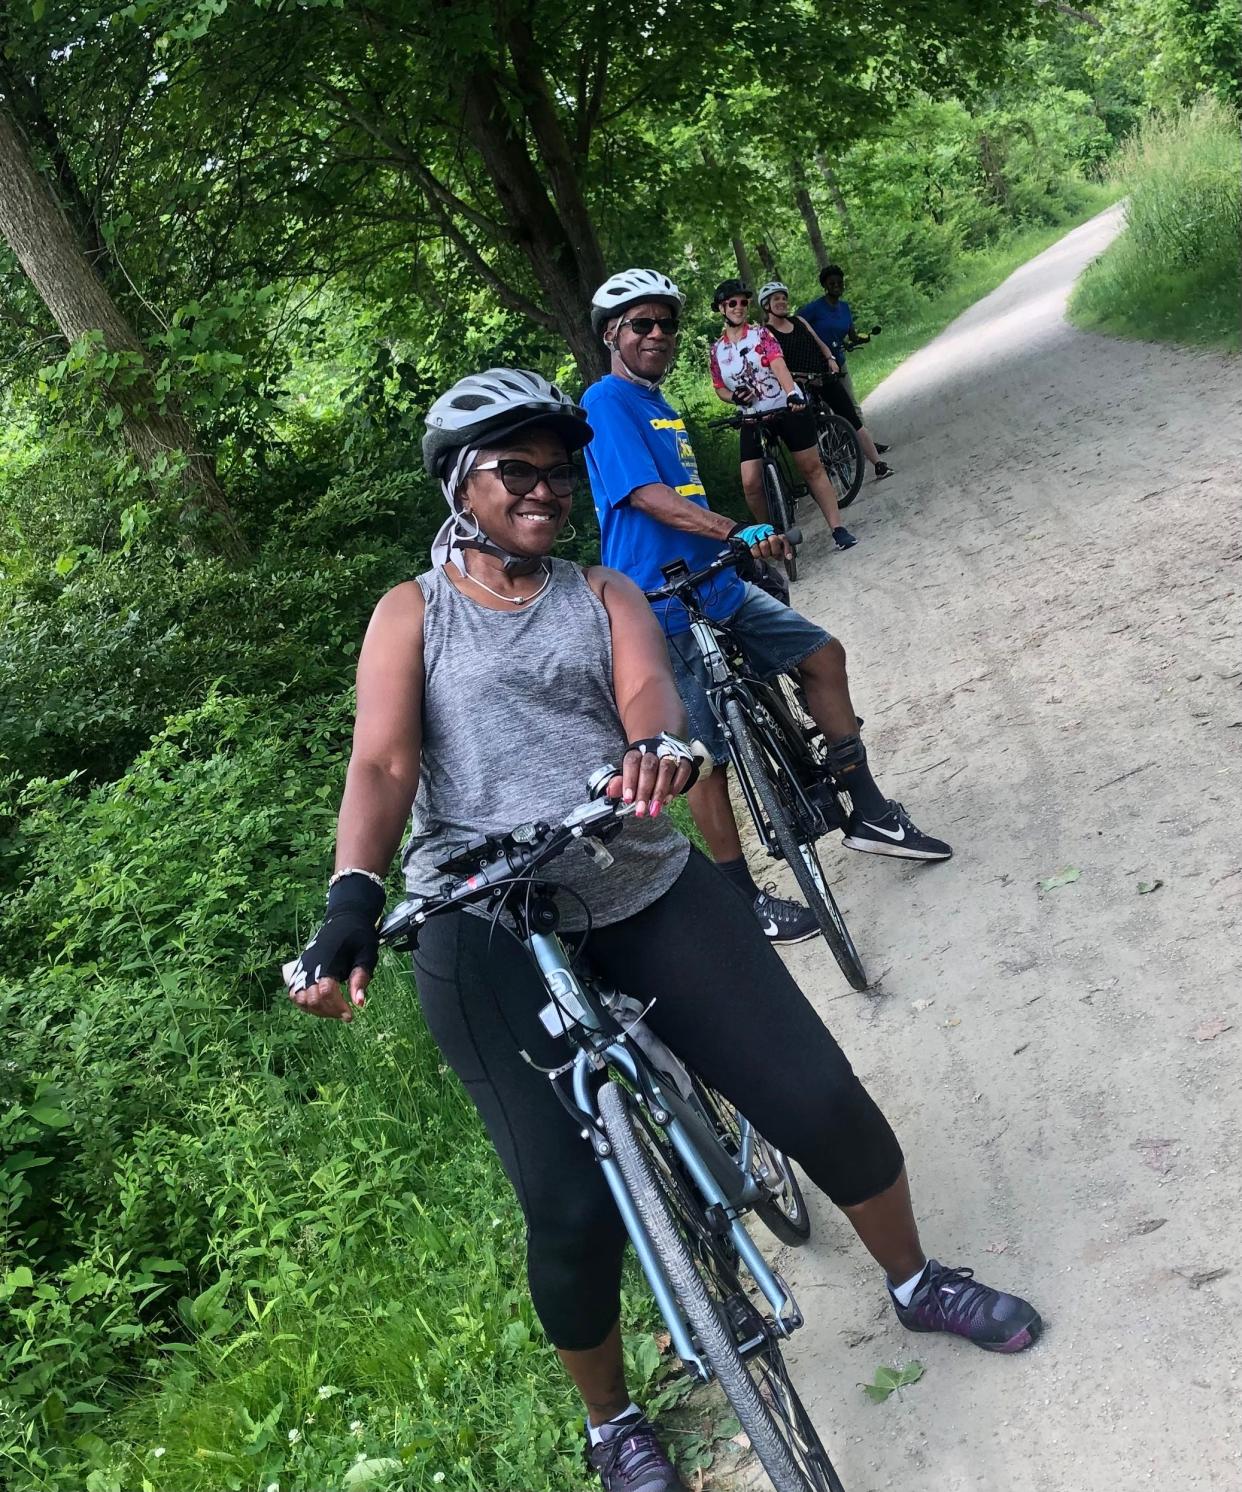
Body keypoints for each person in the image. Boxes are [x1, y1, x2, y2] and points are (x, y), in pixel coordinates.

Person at [285, 366, 1042, 1492]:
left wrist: (657, 749)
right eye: (516, 471)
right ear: (460, 487)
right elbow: (386, 760)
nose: (545, 488)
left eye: (558, 469)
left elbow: (650, 695)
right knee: (569, 1207)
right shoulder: (413, 612)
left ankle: (915, 1278)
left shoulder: (601, 593)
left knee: (817, 1095)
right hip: (483, 920)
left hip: (634, 874)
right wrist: (353, 894)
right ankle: (613, 1422)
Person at [580, 269, 952, 949]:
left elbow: (679, 493)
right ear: (613, 334)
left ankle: (866, 809)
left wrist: (731, 547)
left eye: (666, 323)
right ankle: (744, 898)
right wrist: (735, 529)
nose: (657, 334)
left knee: (821, 655)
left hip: (713, 579)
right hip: (657, 600)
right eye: (642, 324)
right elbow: (645, 497)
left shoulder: (659, 402)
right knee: (702, 758)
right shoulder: (607, 400)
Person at [707, 277, 858, 552]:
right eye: (733, 303)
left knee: (811, 468)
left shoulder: (761, 335)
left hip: (783, 406)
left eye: (743, 302)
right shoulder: (717, 350)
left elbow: (777, 363)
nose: (739, 307)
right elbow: (719, 387)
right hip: (751, 417)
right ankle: (771, 538)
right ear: (721, 308)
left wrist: (791, 392)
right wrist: (734, 397)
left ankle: (838, 528)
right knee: (751, 483)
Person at [757, 280, 893, 483]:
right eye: (777, 299)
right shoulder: (766, 334)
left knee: (851, 418)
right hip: (799, 384)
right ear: (766, 305)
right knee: (809, 426)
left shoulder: (799, 322)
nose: (782, 302)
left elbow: (820, 343)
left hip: (822, 375)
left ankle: (878, 463)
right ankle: (822, 465)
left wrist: (830, 360)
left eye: (784, 298)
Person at [796, 264, 882, 435]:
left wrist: (862, 338)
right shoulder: (815, 308)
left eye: (839, 283)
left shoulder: (845, 307)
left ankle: (866, 441)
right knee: (828, 406)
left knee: (851, 403)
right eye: (831, 283)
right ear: (825, 286)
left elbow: (852, 335)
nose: (836, 286)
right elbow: (796, 323)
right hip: (819, 365)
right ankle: (837, 442)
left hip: (839, 362)